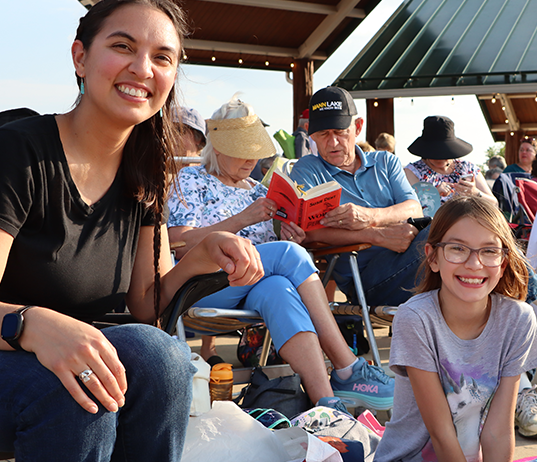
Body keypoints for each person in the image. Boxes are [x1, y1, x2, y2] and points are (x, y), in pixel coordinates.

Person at [0, 0, 270, 462]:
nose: (142, 68)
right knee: (75, 388)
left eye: (162, 57)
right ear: (80, 57)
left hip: (79, 363)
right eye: (122, 46)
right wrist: (35, 326)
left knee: (159, 356)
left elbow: (145, 308)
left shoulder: (145, 170)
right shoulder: (18, 151)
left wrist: (199, 255)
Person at [290, 86, 537, 438]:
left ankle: (520, 392)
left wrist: (367, 217)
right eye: (323, 135)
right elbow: (308, 233)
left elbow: (412, 207)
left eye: (340, 132)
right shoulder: (309, 170)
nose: (334, 143)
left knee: (479, 263)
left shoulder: (384, 162)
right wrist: (375, 235)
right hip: (370, 274)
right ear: (312, 137)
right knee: (455, 235)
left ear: (357, 126)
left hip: (426, 261)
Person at [168, 96, 393, 410]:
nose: (251, 161)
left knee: (280, 288)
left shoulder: (260, 190)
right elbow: (175, 240)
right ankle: (347, 366)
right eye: (242, 151)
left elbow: (277, 254)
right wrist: (242, 220)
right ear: (217, 146)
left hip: (251, 284)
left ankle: (326, 406)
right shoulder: (190, 180)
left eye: (255, 152)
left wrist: (292, 234)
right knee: (286, 256)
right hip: (203, 284)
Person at [369, 196, 537, 462]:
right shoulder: (416, 318)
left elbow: (498, 431)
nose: (473, 264)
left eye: (488, 251)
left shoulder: (518, 318)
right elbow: (441, 434)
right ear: (433, 257)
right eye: (457, 249)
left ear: (504, 260)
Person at [403, 115, 498, 205]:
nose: (440, 157)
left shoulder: (467, 167)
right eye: (435, 153)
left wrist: (475, 192)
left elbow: (494, 204)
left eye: (445, 152)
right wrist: (434, 193)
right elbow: (409, 207)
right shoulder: (413, 171)